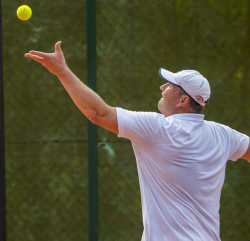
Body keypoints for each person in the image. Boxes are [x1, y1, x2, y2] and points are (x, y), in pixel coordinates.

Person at [25, 42, 250, 241]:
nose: (162, 87)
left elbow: (97, 114)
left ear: (183, 100)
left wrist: (62, 71)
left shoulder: (158, 129)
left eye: (170, 85)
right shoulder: (223, 135)